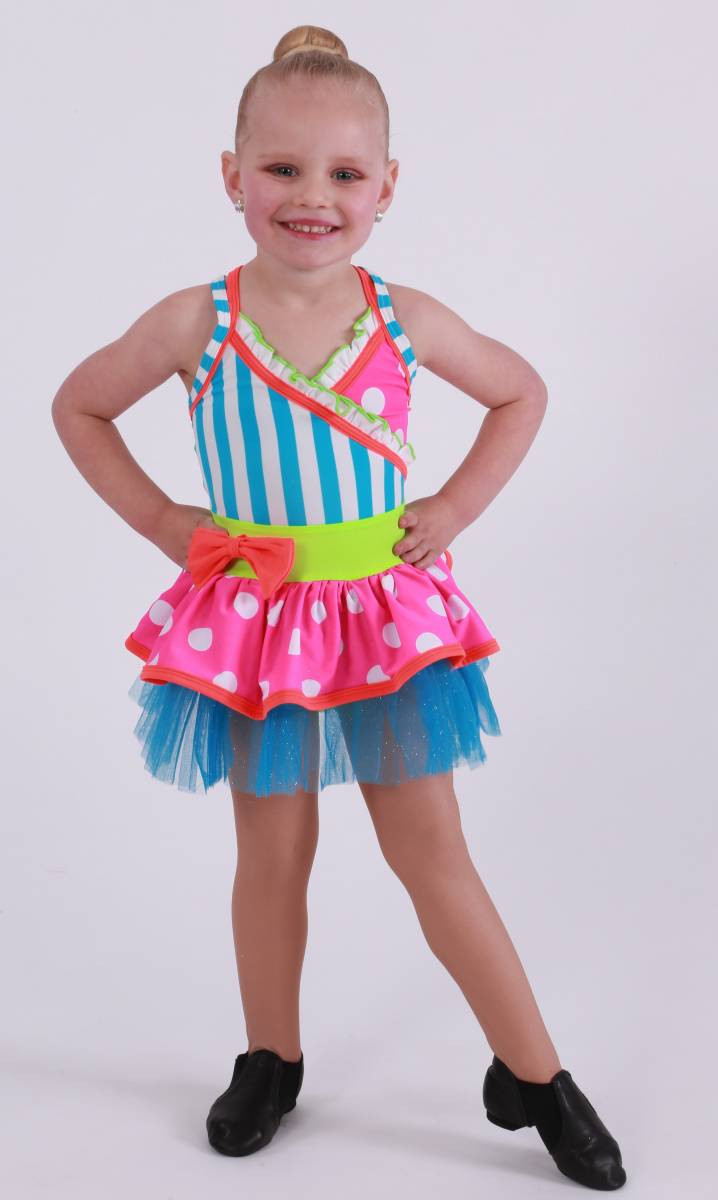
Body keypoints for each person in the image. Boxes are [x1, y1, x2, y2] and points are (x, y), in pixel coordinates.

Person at [51, 23, 626, 1190]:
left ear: (386, 188)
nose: (312, 197)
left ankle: (535, 1073)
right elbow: (79, 405)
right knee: (272, 852)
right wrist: (164, 521)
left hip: (384, 625)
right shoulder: (197, 321)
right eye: (282, 168)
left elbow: (518, 392)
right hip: (259, 624)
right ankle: (270, 1055)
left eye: (344, 173)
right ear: (233, 175)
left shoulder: (404, 316)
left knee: (431, 852)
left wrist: (453, 508)